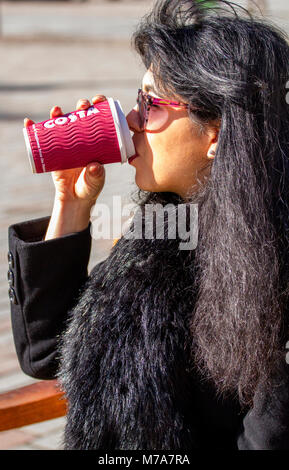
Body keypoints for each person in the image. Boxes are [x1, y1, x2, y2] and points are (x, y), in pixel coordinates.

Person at [7, 0, 289, 450]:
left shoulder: (274, 263)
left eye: (151, 104)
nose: (132, 120)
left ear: (214, 132)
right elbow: (46, 355)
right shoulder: (164, 225)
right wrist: (72, 204)